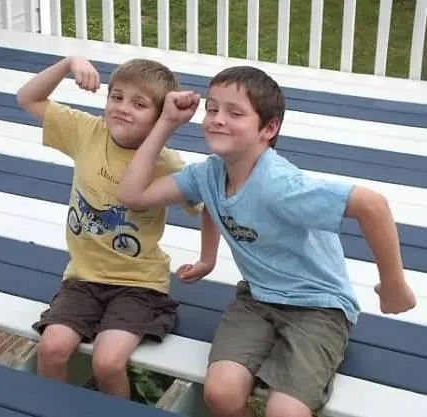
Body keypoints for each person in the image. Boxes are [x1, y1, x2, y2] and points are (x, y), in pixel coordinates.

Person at [117, 65, 417, 417]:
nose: (217, 118)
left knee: (284, 412)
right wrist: (166, 123)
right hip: (257, 298)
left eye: (235, 112)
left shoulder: (280, 186)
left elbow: (373, 206)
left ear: (269, 129)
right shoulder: (210, 173)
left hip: (318, 307)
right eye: (212, 108)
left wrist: (394, 284)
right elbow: (134, 195)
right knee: (221, 393)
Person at [16, 56, 221, 399]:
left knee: (108, 362)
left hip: (138, 286)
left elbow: (209, 204)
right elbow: (28, 98)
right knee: (51, 347)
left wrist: (208, 259)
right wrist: (68, 64)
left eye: (139, 104)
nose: (123, 108)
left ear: (160, 118)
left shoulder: (164, 162)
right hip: (83, 279)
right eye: (117, 97)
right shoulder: (87, 131)